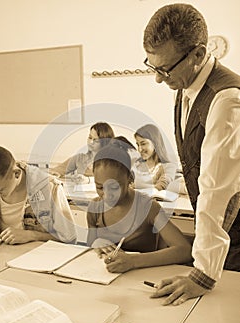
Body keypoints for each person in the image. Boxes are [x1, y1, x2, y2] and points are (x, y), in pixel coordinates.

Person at [143, 3, 240, 305]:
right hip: (215, 234)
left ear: (198, 54)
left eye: (165, 69)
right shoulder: (186, 86)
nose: (158, 78)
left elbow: (217, 190)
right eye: (152, 65)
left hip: (234, 234)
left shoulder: (226, 99)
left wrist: (202, 274)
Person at [86, 144, 192, 273]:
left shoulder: (148, 207)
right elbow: (90, 243)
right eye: (100, 187)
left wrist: (133, 261)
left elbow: (184, 250)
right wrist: (97, 243)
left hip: (142, 277)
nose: (107, 195)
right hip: (106, 278)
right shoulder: (94, 208)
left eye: (114, 187)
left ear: (130, 177)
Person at [0, 144, 77, 246]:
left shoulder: (49, 187)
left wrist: (32, 235)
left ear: (16, 173)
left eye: (0, 190)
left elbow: (69, 239)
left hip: (37, 261)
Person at [50, 122, 115, 183]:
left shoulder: (110, 162)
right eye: (90, 137)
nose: (91, 142)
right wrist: (55, 175)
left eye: (96, 140)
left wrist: (88, 180)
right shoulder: (79, 158)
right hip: (76, 193)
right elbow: (55, 171)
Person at [133, 124, 177, 190]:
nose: (139, 149)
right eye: (138, 144)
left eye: (143, 144)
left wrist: (135, 186)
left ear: (155, 143)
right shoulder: (135, 164)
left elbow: (161, 187)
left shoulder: (169, 167)